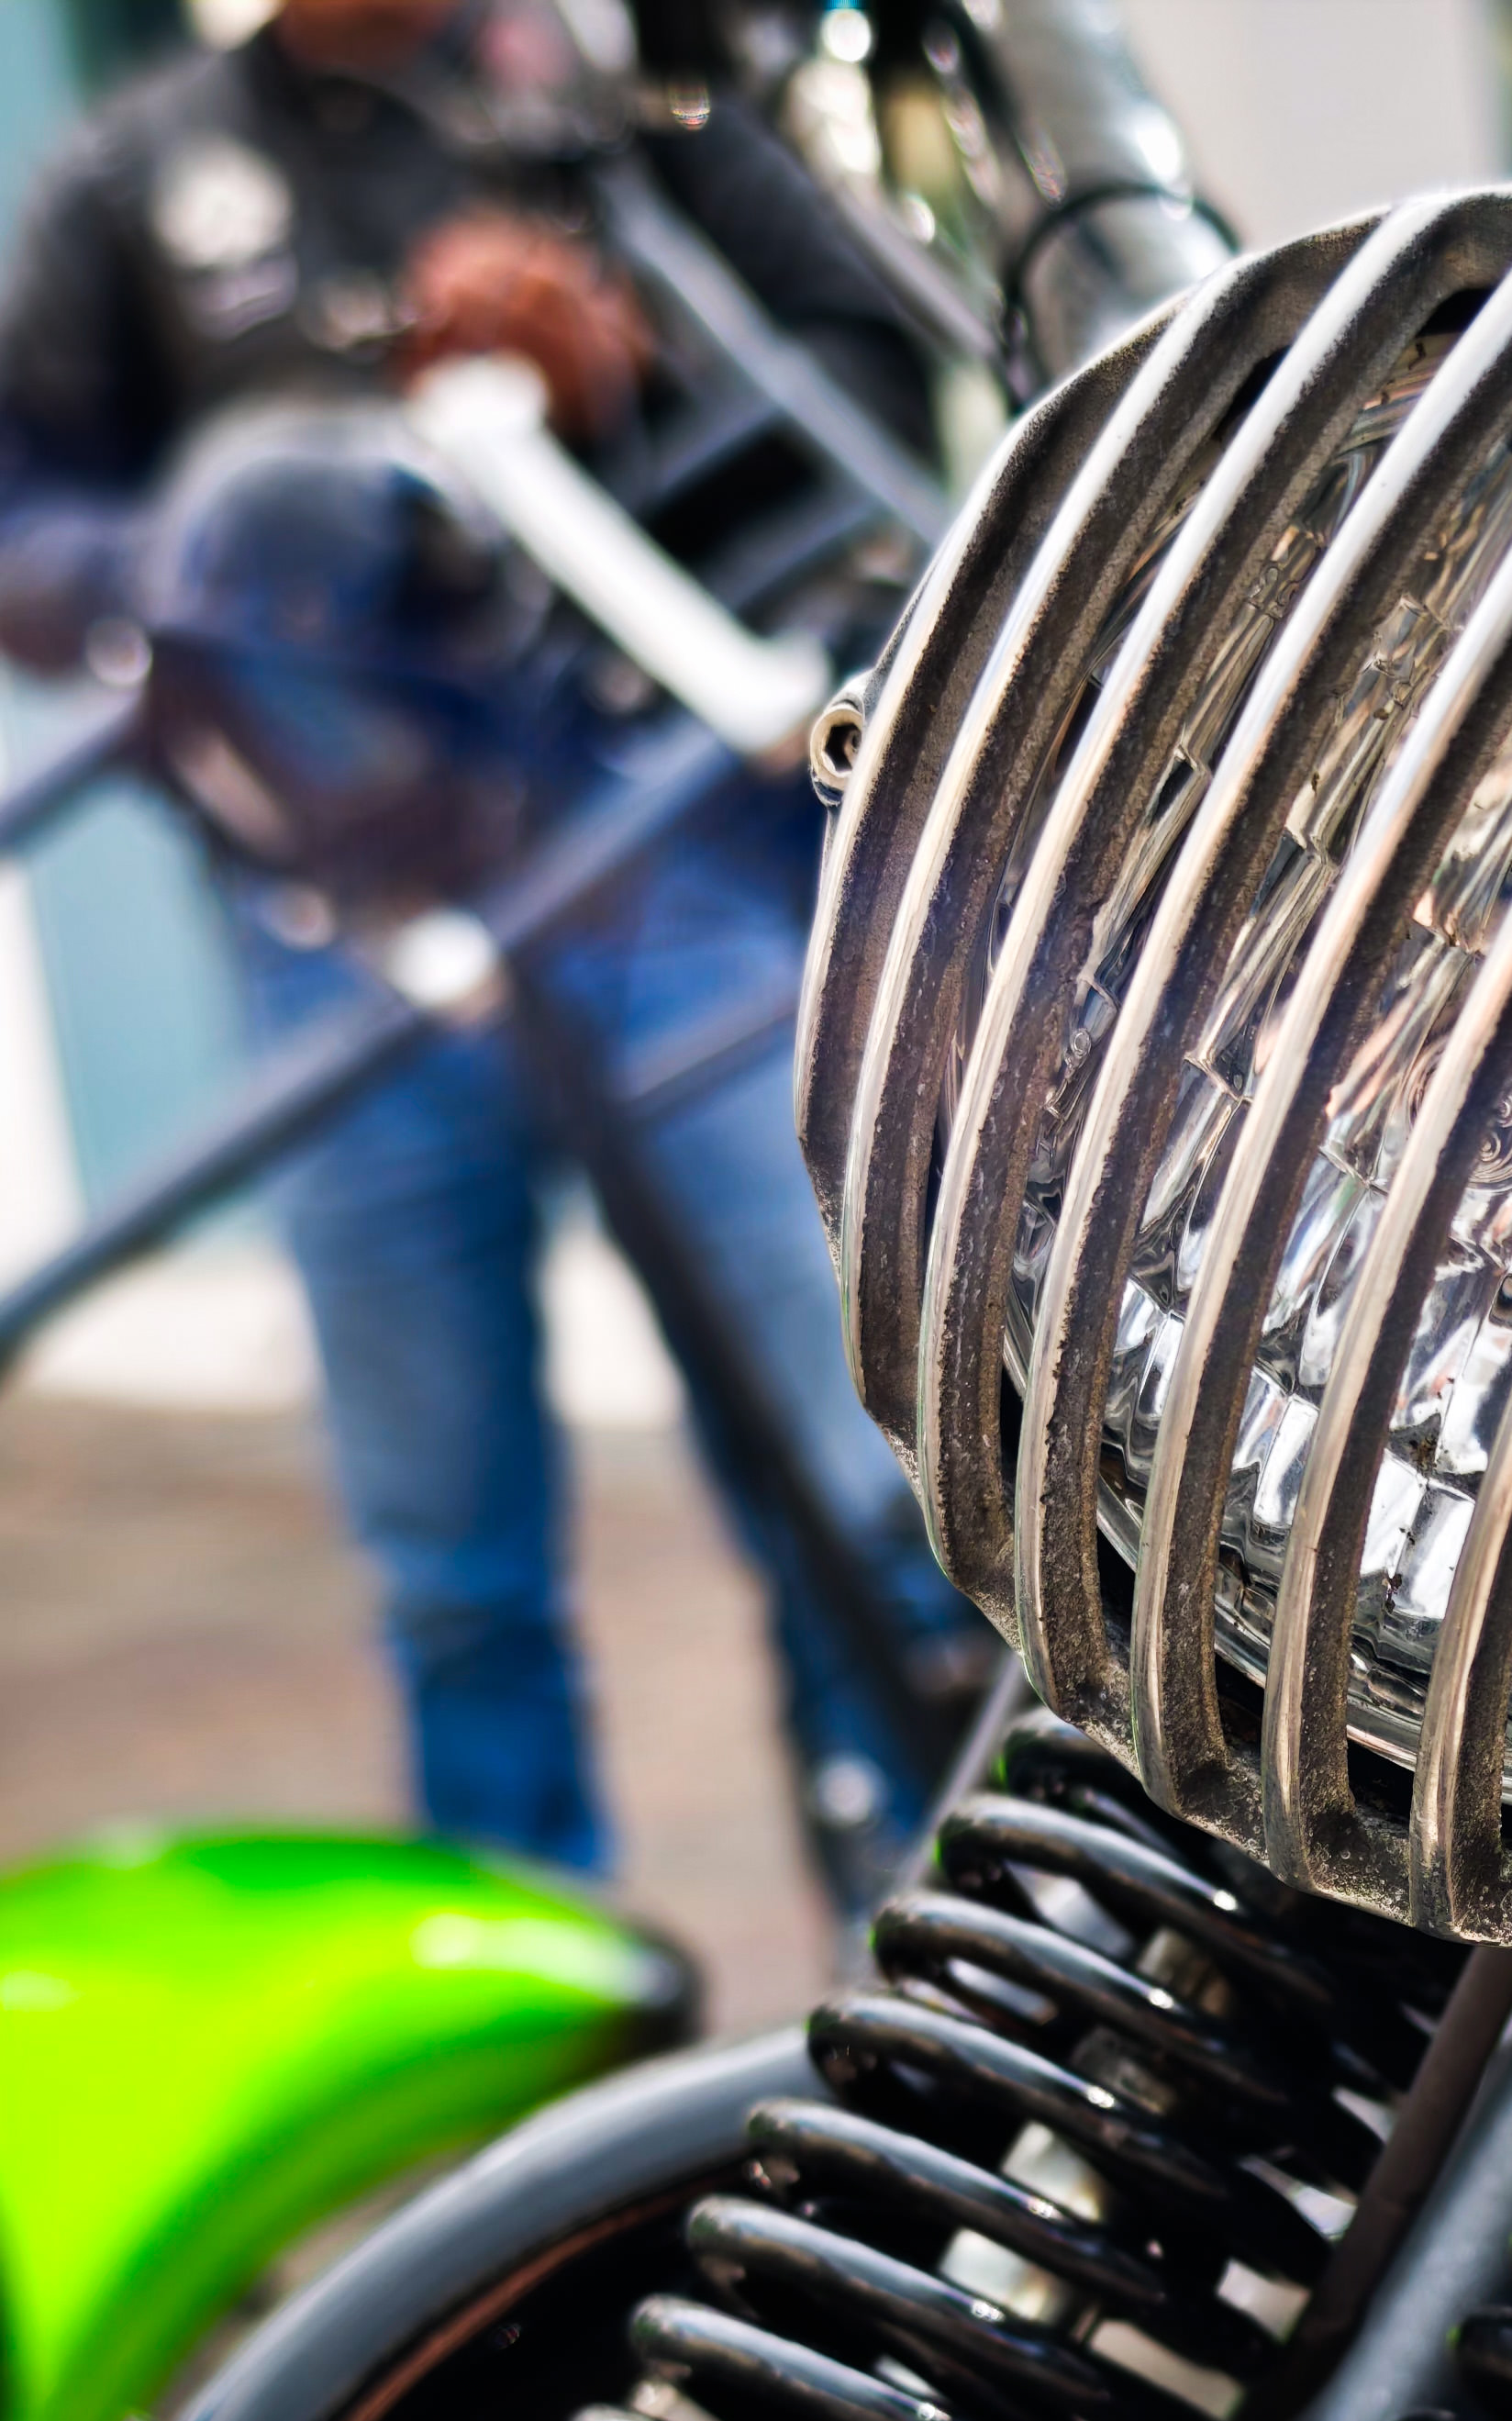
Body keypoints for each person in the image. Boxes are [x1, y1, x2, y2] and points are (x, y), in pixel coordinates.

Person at [0, 0, 986, 1908]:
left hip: (672, 865)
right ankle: (539, 2026)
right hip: (343, 930)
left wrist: (628, 354)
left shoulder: (633, 93)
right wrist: (226, 545)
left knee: (863, 1484)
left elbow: (871, 382)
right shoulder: (134, 172)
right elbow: (20, 521)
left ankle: (941, 1955)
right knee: (452, 1565)